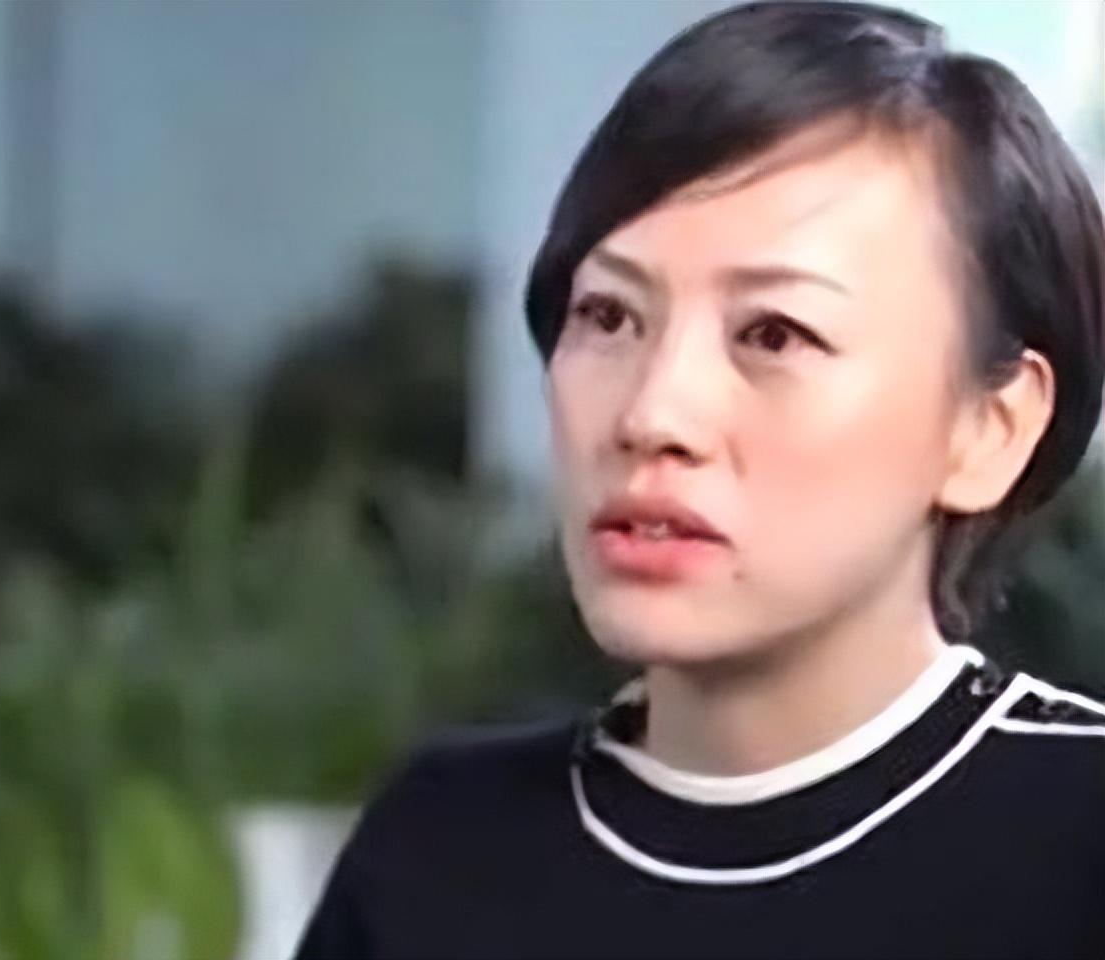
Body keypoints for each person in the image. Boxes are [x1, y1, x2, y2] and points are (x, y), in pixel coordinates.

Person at [293, 2, 1105, 957]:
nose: (652, 415)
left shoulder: (1075, 840)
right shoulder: (438, 850)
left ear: (989, 429)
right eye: (608, 317)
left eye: (774, 334)